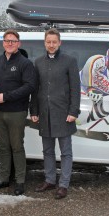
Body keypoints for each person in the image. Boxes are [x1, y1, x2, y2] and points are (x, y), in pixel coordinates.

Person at [30, 28, 81, 199]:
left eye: (54, 42)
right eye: (48, 42)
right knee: (47, 150)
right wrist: (34, 110)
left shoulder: (69, 61)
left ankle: (63, 184)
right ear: (44, 43)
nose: (51, 45)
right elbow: (35, 89)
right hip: (45, 113)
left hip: (64, 113)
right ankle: (50, 180)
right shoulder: (38, 62)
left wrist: (74, 111)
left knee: (66, 151)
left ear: (60, 43)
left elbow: (75, 88)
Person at [0, 29, 36, 196]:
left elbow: (29, 87)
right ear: (3, 42)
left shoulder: (25, 63)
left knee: (16, 146)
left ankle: (20, 181)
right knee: (3, 146)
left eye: (13, 41)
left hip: (17, 112)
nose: (10, 43)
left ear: (18, 43)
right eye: (7, 40)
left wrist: (6, 97)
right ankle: (3, 178)